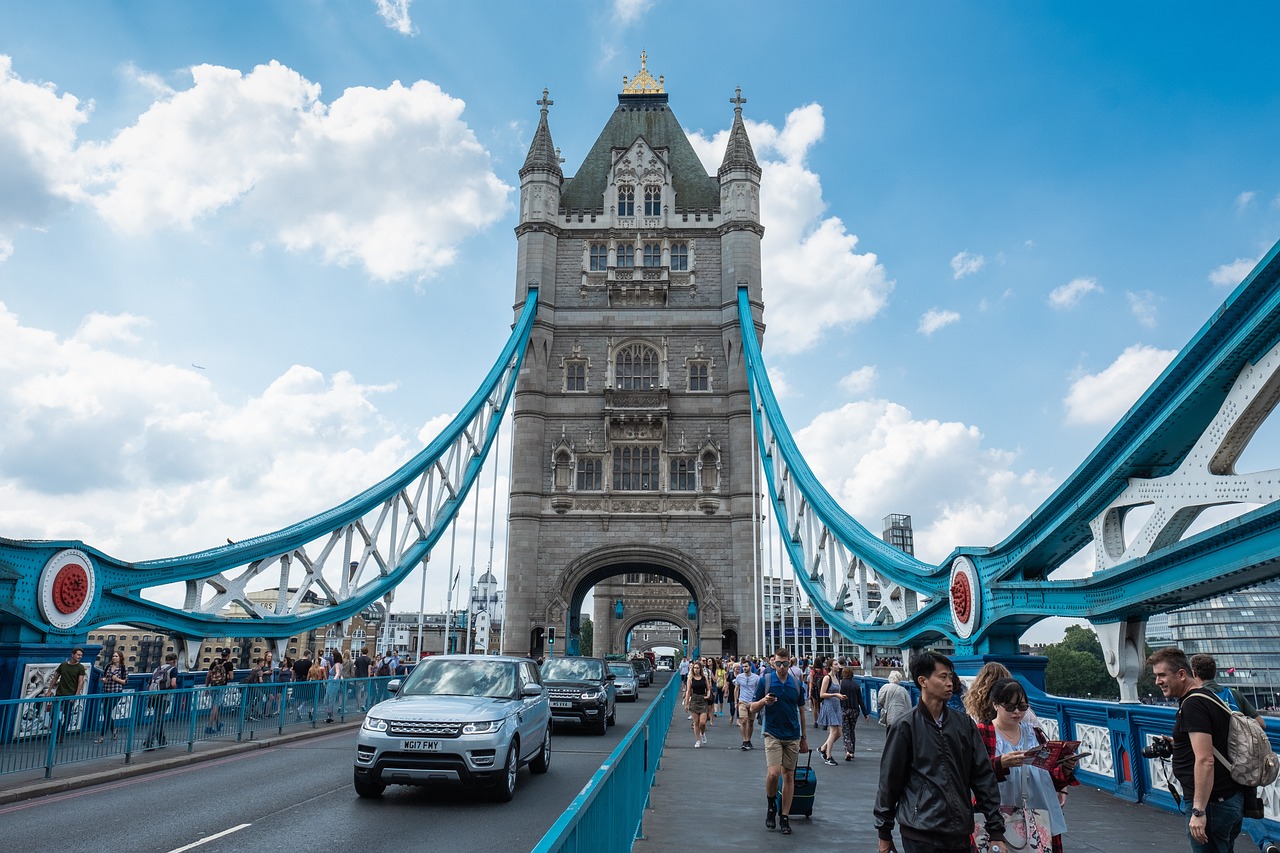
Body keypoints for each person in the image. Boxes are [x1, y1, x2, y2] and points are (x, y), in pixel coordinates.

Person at [874, 650, 1008, 853]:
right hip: (920, 831)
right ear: (923, 681)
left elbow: (983, 776)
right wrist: (884, 833)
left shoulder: (964, 724)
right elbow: (889, 782)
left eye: (951, 677)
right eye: (943, 677)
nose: (950, 683)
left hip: (960, 830)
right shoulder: (905, 726)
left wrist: (995, 831)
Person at [1149, 646, 1243, 853]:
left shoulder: (1193, 705)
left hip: (1212, 803)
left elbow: (1205, 760)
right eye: (1156, 676)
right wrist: (1179, 746)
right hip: (1228, 796)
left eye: (1162, 675)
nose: (1158, 681)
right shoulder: (1208, 697)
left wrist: (1199, 811)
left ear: (1182, 674)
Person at [977, 678, 1076, 853]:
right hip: (996, 815)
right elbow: (972, 773)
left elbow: (1048, 777)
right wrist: (1000, 763)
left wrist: (1066, 767)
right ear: (995, 705)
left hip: (1039, 811)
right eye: (1010, 707)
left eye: (1022, 707)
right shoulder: (983, 733)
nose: (1017, 712)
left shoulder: (1035, 734)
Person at [1189, 653, 1275, 853]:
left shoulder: (1197, 699)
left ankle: (1264, 842)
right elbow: (1261, 724)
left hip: (1218, 778)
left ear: (1194, 674)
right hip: (1243, 768)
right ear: (1215, 672)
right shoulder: (1234, 694)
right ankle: (1265, 843)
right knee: (1232, 829)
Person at [748, 647, 809, 836]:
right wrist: (764, 701)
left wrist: (803, 738)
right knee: (774, 774)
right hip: (772, 733)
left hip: (792, 735)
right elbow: (752, 708)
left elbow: (801, 711)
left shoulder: (797, 684)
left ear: (790, 663)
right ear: (773, 663)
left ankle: (784, 816)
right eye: (778, 663)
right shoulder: (765, 681)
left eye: (785, 663)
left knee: (789, 776)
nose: (782, 667)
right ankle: (771, 807)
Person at [49, 648, 87, 738]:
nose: (80, 657)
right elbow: (55, 677)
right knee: (53, 713)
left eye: (81, 655)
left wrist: (76, 696)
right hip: (60, 693)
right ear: (72, 655)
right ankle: (58, 730)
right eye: (78, 655)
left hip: (70, 695)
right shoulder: (63, 665)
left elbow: (80, 682)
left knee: (67, 714)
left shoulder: (80, 667)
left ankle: (61, 734)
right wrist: (49, 690)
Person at [143, 653, 179, 749]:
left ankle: (162, 741)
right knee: (157, 720)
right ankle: (148, 742)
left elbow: (150, 681)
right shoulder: (173, 669)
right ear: (174, 660)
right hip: (164, 697)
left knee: (159, 719)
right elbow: (173, 683)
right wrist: (173, 689)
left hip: (154, 696)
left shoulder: (158, 668)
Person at [96, 650, 129, 743]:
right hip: (106, 691)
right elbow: (103, 677)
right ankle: (114, 730)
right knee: (106, 712)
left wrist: (117, 679)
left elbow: (125, 682)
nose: (114, 658)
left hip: (116, 693)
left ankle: (102, 736)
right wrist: (103, 679)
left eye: (116, 656)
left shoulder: (123, 668)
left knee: (107, 712)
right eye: (113, 656)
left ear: (120, 658)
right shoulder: (107, 667)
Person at [838, 665, 869, 761]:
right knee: (852, 730)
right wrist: (865, 713)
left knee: (845, 730)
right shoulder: (856, 685)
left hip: (844, 709)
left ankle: (848, 750)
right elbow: (860, 700)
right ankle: (852, 751)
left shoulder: (841, 684)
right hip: (854, 710)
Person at [816, 664, 843, 766]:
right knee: (833, 731)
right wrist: (835, 694)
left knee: (839, 733)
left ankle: (823, 748)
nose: (838, 666)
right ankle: (828, 756)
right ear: (831, 667)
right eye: (836, 664)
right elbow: (822, 694)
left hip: (837, 705)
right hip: (829, 705)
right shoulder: (827, 678)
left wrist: (840, 696)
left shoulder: (837, 678)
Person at [735, 660, 762, 750]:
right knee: (743, 720)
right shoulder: (739, 677)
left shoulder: (756, 678)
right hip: (742, 701)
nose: (744, 668)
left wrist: (758, 702)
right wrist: (736, 701)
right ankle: (744, 740)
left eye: (746, 666)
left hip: (752, 702)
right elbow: (736, 689)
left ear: (750, 667)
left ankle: (749, 740)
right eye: (743, 666)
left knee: (750, 722)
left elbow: (759, 690)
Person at [685, 660, 712, 747]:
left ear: (700, 669)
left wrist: (708, 695)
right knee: (696, 722)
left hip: (703, 699)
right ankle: (697, 740)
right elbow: (688, 691)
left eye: (697, 668)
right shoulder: (690, 679)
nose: (696, 670)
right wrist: (686, 703)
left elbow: (708, 688)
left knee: (702, 723)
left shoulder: (704, 678)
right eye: (694, 668)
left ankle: (702, 733)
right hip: (694, 700)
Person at [204, 653, 228, 734]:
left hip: (213, 686)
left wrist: (206, 688)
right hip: (221, 687)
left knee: (215, 706)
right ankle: (209, 727)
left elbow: (208, 676)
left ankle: (218, 724)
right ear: (228, 656)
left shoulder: (213, 663)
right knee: (215, 706)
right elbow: (231, 677)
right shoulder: (228, 664)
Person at [324, 650, 344, 723]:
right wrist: (329, 665)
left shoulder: (337, 665)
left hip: (332, 682)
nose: (332, 657)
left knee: (329, 700)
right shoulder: (339, 664)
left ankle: (329, 716)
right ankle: (329, 715)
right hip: (333, 682)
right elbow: (334, 672)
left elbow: (338, 673)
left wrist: (334, 679)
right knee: (329, 699)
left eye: (333, 656)